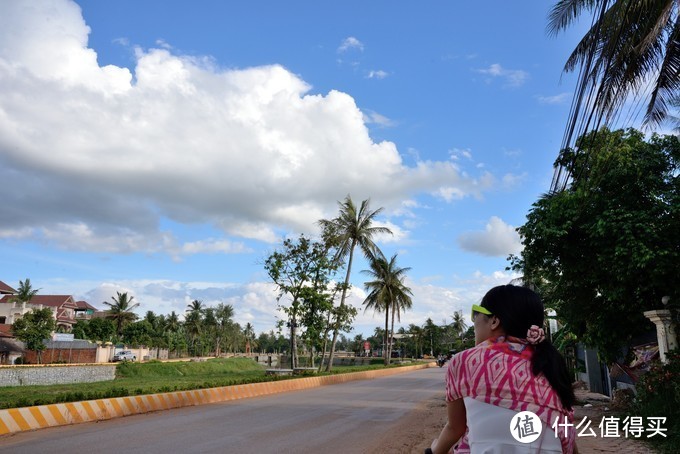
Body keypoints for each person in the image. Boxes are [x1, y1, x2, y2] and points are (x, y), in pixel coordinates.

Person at [428, 285, 577, 453]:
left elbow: (455, 428)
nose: (475, 321)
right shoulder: (550, 362)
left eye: (475, 314)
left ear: (494, 321)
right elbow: (567, 428)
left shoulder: (465, 360)